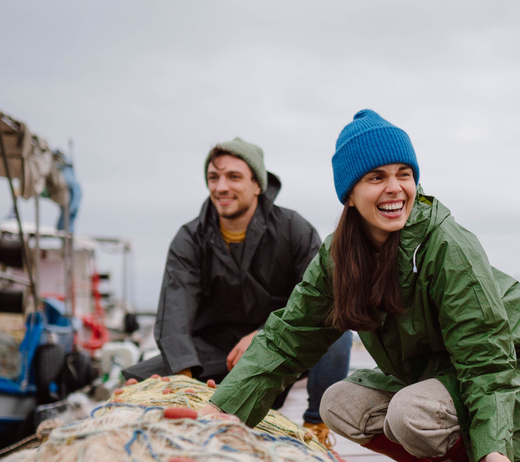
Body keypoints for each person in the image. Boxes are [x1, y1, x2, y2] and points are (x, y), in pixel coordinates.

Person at [205, 110, 520, 462]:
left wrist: (493, 444)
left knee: (411, 414)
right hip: (443, 374)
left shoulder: (446, 244)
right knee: (338, 403)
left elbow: (486, 359)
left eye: (404, 174)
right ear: (349, 195)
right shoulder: (340, 256)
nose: (395, 188)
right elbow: (288, 338)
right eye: (376, 177)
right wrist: (224, 410)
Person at [124, 136, 351, 441]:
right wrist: (183, 384)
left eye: (233, 177)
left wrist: (264, 334)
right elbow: (173, 313)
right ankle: (195, 408)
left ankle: (316, 426)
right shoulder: (189, 238)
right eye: (213, 177)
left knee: (337, 328)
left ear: (257, 184)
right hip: (219, 354)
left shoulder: (293, 229)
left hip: (282, 346)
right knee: (137, 381)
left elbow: (322, 299)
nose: (221, 187)